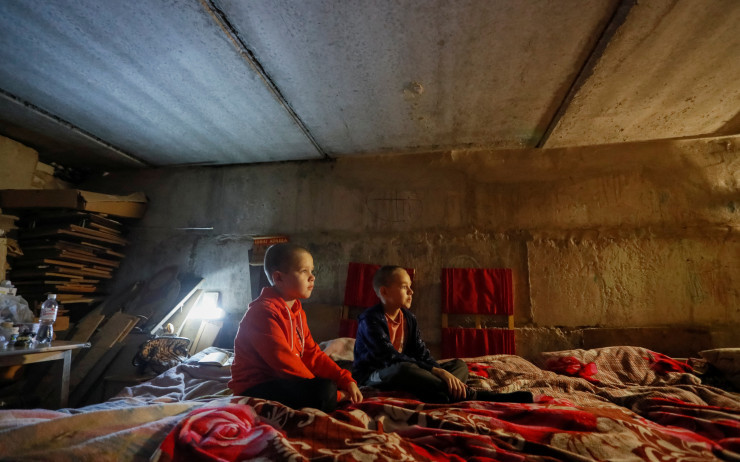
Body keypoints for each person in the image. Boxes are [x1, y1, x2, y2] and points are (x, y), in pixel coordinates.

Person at [353, 265, 533, 404]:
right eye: (404, 287)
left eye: (410, 287)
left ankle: (442, 395)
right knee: (403, 369)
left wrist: (443, 373)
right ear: (384, 292)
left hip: (407, 369)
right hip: (376, 374)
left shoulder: (408, 318)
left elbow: (421, 353)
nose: (411, 292)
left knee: (459, 365)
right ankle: (473, 395)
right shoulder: (370, 320)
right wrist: (436, 371)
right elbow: (390, 357)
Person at [229, 243, 363, 412]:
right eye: (304, 271)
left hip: (284, 380)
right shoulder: (263, 312)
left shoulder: (296, 310)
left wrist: (345, 380)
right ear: (278, 278)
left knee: (349, 371)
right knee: (324, 390)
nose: (312, 277)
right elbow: (284, 364)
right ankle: (336, 396)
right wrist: (331, 391)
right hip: (257, 386)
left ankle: (336, 390)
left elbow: (311, 353)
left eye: (312, 271)